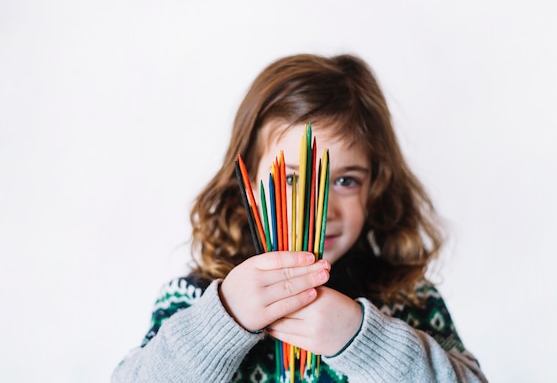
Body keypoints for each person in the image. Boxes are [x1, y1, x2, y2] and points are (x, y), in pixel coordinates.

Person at [112, 54, 488, 382]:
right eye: (291, 178)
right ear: (246, 185)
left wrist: (365, 341)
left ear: (375, 187)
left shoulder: (410, 301)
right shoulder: (196, 298)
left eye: (345, 180)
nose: (319, 209)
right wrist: (223, 320)